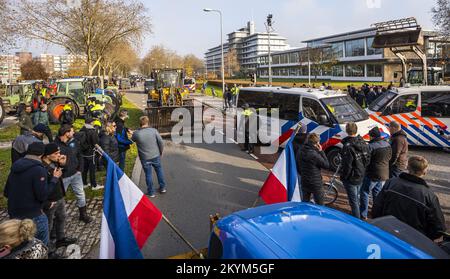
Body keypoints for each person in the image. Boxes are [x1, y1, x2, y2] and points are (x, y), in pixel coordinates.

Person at [372, 156, 447, 240]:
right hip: (414, 239)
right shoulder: (428, 195)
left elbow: (377, 208)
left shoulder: (391, 183)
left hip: (388, 232)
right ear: (424, 172)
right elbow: (439, 227)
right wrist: (423, 237)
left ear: (407, 167)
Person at [3, 142, 60, 246]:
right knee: (41, 245)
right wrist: (54, 179)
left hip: (15, 215)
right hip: (33, 215)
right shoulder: (39, 169)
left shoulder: (15, 167)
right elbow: (42, 196)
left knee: (22, 245)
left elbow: (7, 192)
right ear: (42, 155)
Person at [41, 143, 77, 256]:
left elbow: (63, 174)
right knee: (49, 224)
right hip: (50, 200)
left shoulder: (54, 162)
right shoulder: (41, 167)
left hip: (59, 195)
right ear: (47, 155)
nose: (59, 155)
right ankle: (49, 249)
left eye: (58, 152)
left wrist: (63, 164)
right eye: (55, 153)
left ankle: (60, 239)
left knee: (62, 217)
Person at [55, 125, 93, 223]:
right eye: (72, 131)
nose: (74, 133)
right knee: (59, 198)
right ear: (66, 133)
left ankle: (83, 214)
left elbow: (80, 155)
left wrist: (80, 169)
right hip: (63, 177)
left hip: (76, 174)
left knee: (80, 194)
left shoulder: (74, 141)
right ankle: (57, 220)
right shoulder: (55, 145)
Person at [359, 127, 392, 220]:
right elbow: (390, 157)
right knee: (376, 193)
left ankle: (363, 214)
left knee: (365, 192)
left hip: (372, 174)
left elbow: (366, 161)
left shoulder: (371, 147)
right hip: (384, 173)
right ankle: (376, 212)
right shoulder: (387, 144)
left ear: (372, 136)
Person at [340, 122, 370, 218]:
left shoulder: (347, 146)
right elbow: (367, 159)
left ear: (346, 131)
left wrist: (344, 177)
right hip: (361, 174)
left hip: (351, 178)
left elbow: (347, 165)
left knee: (353, 201)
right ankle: (361, 215)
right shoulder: (363, 142)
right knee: (357, 197)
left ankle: (356, 220)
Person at [132, 116, 166, 198]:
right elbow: (161, 142)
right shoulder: (154, 131)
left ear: (140, 123)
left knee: (148, 174)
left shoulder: (136, 133)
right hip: (155, 155)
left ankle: (151, 192)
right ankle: (162, 188)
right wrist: (161, 152)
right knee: (159, 171)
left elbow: (132, 139)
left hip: (144, 157)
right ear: (148, 122)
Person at [299, 133, 330, 205]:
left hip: (304, 180)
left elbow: (298, 164)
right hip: (315, 182)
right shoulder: (314, 154)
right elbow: (326, 165)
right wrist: (321, 151)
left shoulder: (301, 150)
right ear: (316, 143)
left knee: (305, 202)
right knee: (320, 204)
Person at [79, 118, 101, 190]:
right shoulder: (92, 131)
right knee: (92, 170)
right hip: (91, 154)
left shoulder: (82, 129)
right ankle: (94, 185)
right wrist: (101, 151)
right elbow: (95, 143)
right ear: (91, 123)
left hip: (83, 153)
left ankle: (84, 183)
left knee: (84, 170)